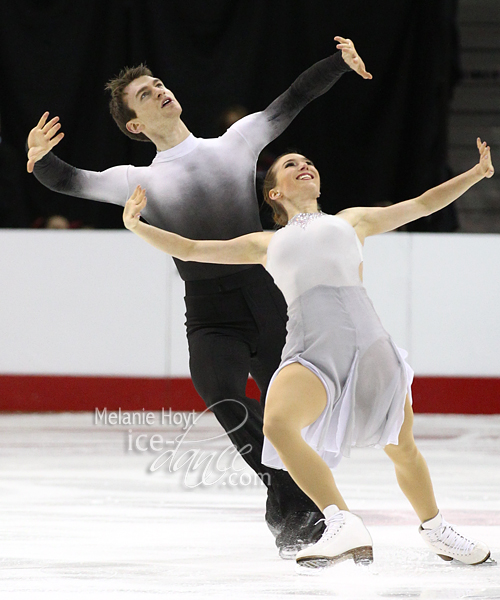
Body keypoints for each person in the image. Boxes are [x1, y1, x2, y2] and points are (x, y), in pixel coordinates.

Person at [26, 37, 372, 556]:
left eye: (159, 84)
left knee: (291, 414)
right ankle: (289, 497)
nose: (159, 91)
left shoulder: (233, 143)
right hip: (209, 313)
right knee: (222, 396)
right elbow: (70, 182)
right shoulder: (136, 180)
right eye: (144, 94)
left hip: (267, 301)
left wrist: (338, 63)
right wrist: (38, 161)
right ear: (134, 125)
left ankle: (304, 512)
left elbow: (292, 100)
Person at [121, 138, 494, 568]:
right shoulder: (264, 243)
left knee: (402, 445)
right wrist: (138, 226)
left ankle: (436, 529)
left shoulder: (351, 221)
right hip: (310, 346)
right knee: (278, 425)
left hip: (367, 342)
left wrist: (475, 173)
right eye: (291, 165)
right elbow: (190, 249)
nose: (304, 166)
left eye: (308, 162)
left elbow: (424, 204)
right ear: (274, 192)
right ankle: (340, 519)